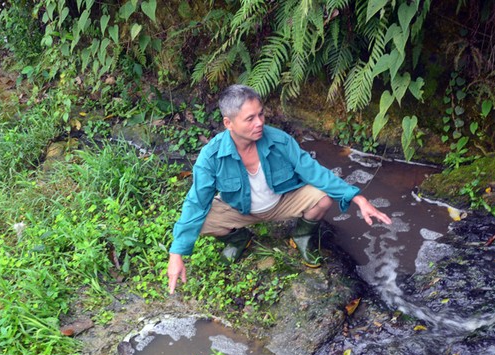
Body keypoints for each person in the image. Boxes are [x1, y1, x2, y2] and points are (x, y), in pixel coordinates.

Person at [167, 84, 391, 294]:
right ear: (229, 123)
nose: (259, 123)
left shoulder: (279, 140)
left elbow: (314, 171)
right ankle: (238, 239)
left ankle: (302, 236)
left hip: (282, 203)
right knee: (201, 220)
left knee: (323, 197)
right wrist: (177, 254)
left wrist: (358, 198)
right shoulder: (211, 156)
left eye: (261, 114)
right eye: (250, 119)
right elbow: (196, 203)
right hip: (240, 210)